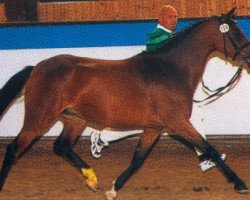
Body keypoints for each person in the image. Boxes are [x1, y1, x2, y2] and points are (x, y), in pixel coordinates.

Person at [90, 5, 225, 172]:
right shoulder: (156, 36)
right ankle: (205, 157)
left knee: (150, 124)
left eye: (175, 17)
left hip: (169, 90)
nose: (173, 20)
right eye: (170, 16)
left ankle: (102, 137)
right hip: (155, 90)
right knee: (189, 114)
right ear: (160, 18)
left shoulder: (174, 37)